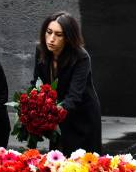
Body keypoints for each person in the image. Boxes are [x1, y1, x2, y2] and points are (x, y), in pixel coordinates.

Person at [32, 12, 102, 155]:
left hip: (82, 116)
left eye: (59, 35)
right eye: (49, 32)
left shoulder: (81, 58)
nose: (51, 39)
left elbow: (74, 97)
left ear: (68, 38)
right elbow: (37, 84)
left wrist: (49, 115)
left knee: (82, 165)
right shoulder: (41, 50)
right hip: (58, 115)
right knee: (56, 162)